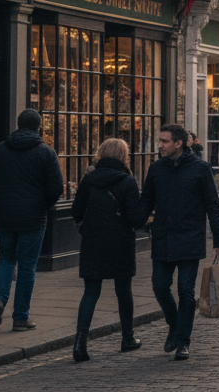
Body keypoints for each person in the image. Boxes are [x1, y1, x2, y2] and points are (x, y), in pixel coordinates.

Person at [140, 124, 219, 361]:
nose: (160, 145)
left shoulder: (200, 168)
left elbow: (212, 206)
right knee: (159, 286)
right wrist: (129, 222)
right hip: (163, 237)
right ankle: (174, 324)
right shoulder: (156, 168)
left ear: (179, 143)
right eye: (159, 140)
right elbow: (146, 201)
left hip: (190, 237)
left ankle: (183, 341)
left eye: (164, 141)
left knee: (186, 291)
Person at [0, 109, 63, 332]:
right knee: (27, 267)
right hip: (33, 218)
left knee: (6, 259)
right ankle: (20, 317)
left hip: (5, 216)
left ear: (18, 124)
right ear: (39, 126)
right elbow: (56, 188)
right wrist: (41, 205)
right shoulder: (46, 152)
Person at [71, 137, 148, 361]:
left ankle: (79, 344)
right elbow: (136, 218)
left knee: (90, 292)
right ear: (124, 156)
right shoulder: (127, 181)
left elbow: (76, 210)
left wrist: (87, 227)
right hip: (120, 242)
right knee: (123, 291)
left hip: (93, 241)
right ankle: (127, 339)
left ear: (101, 154)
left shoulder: (89, 178)